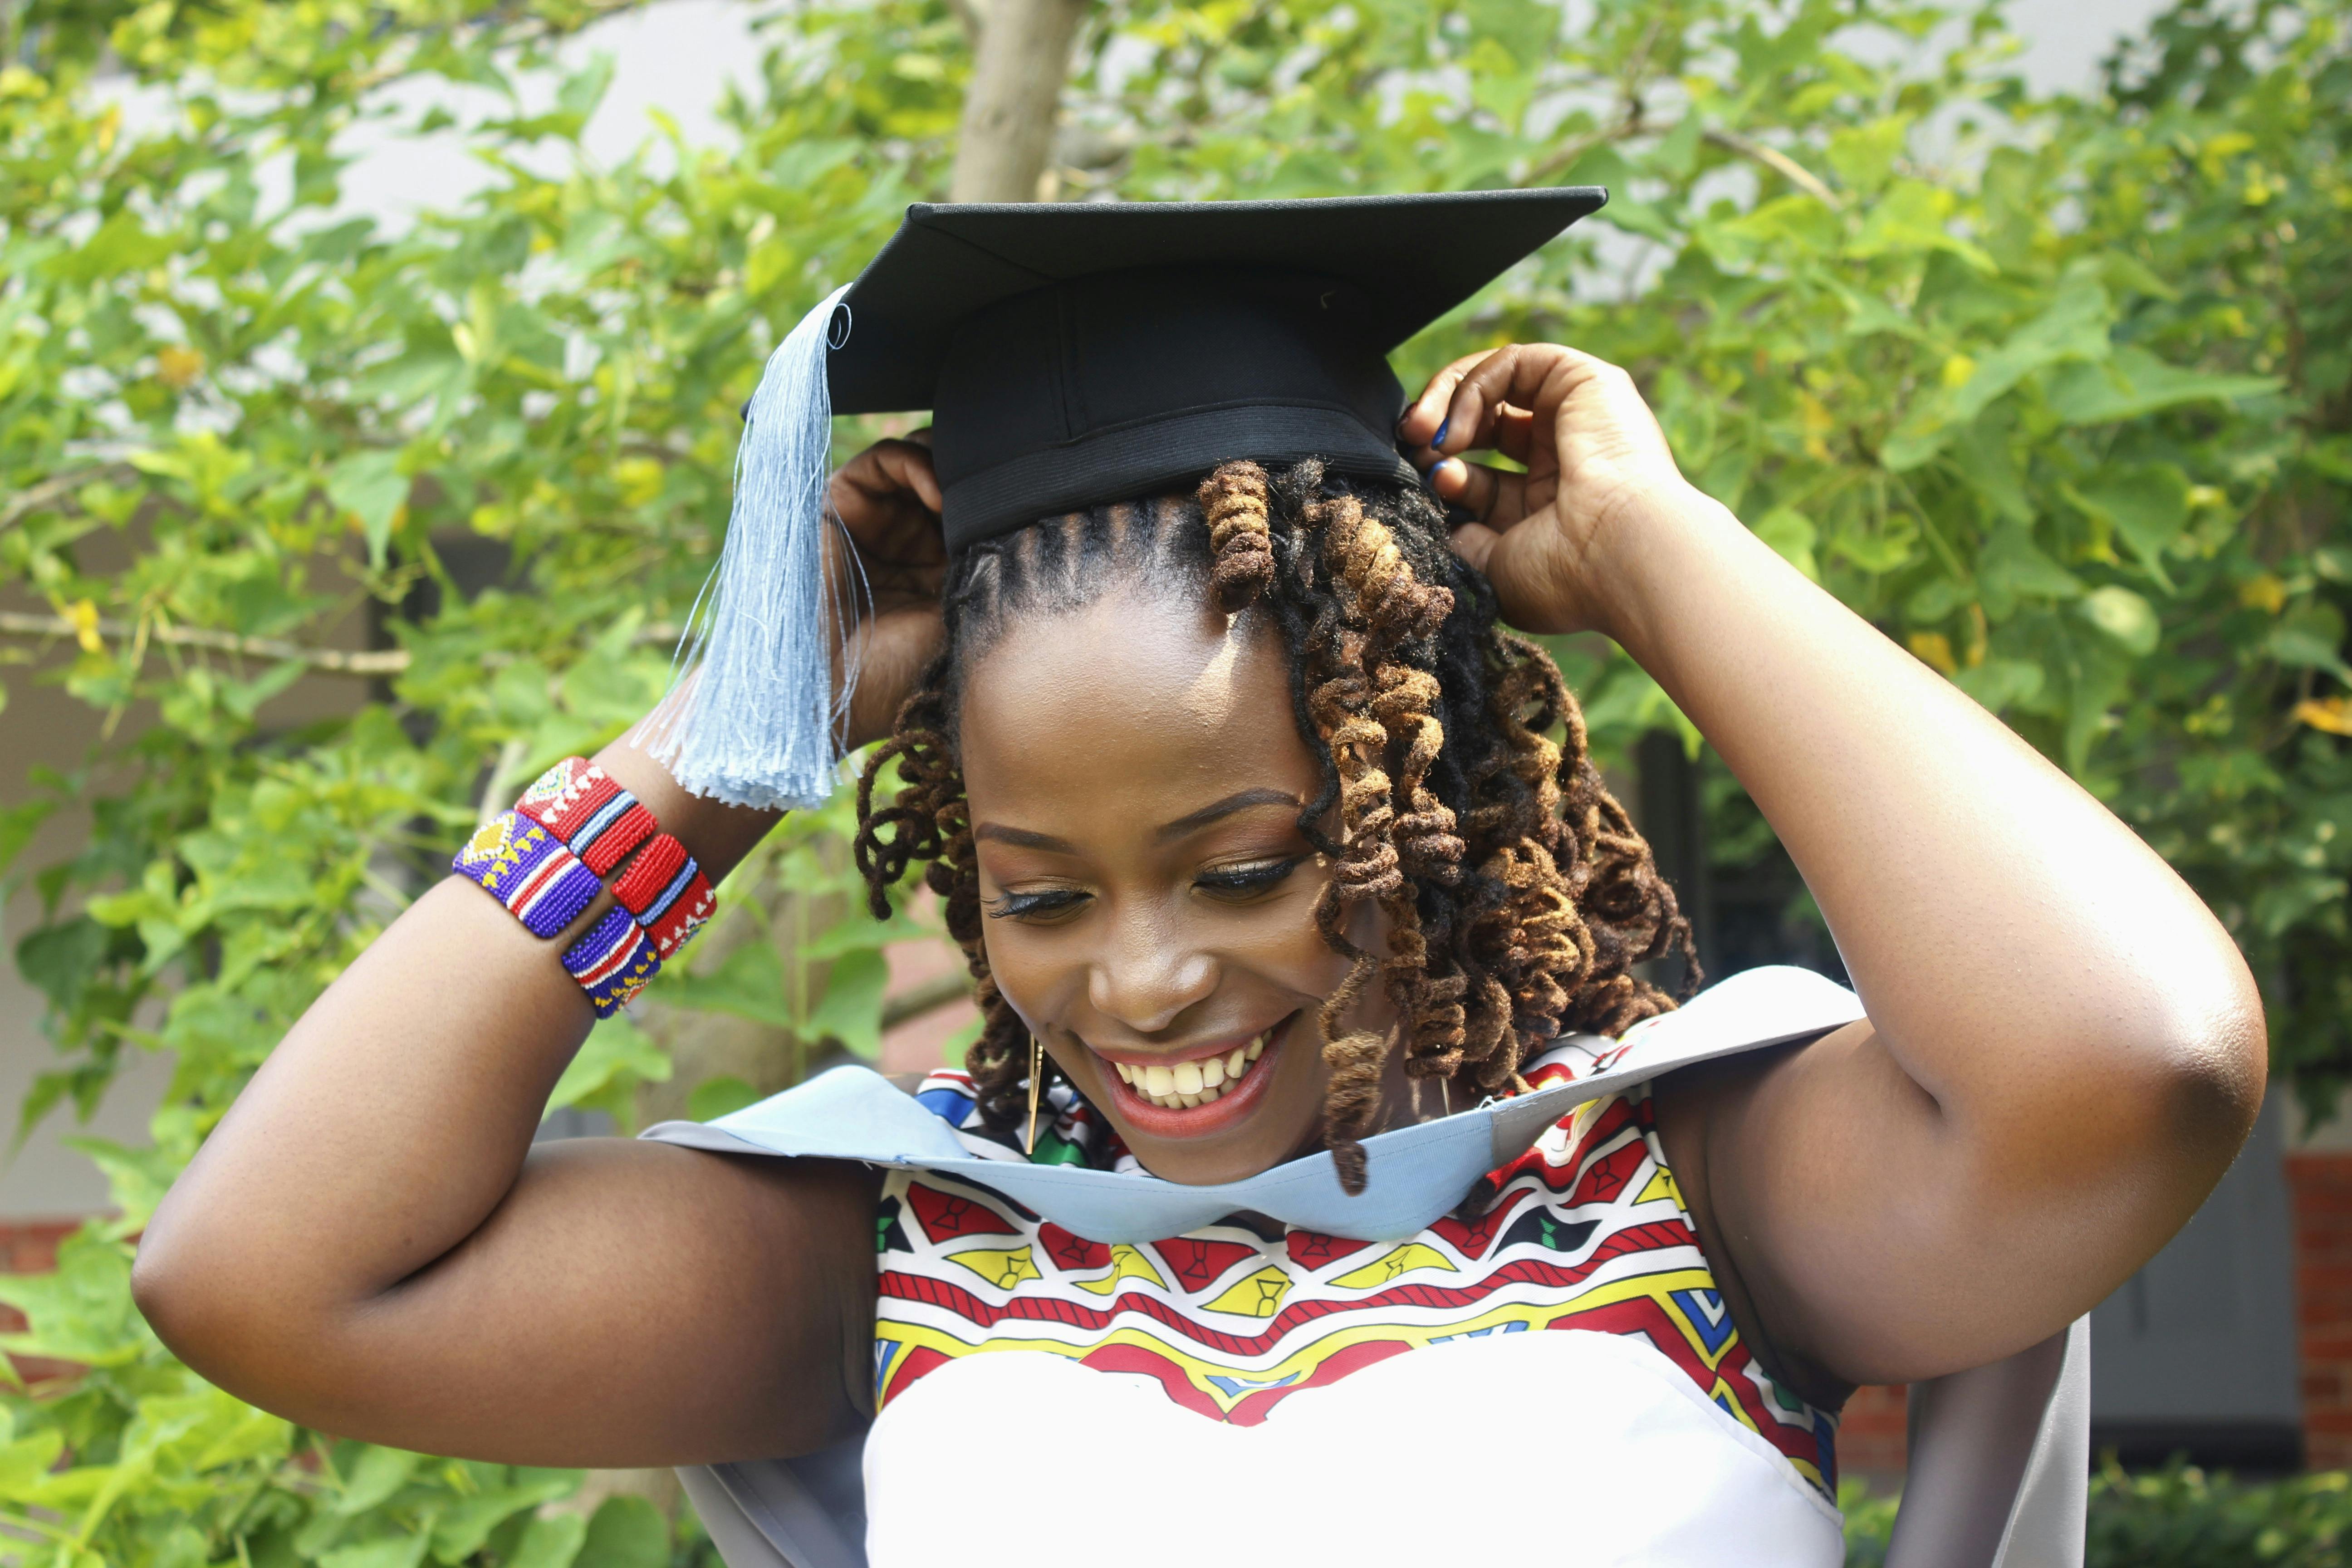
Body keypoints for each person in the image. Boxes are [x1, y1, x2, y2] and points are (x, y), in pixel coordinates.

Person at [129, 193, 2265, 1566]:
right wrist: (727, 738)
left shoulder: (1670, 1190)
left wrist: (1653, 555)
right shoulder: (928, 1255)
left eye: (1248, 865)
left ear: (1420, 802)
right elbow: (264, 1277)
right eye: (1043, 897)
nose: (1144, 981)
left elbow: (2137, 1066)